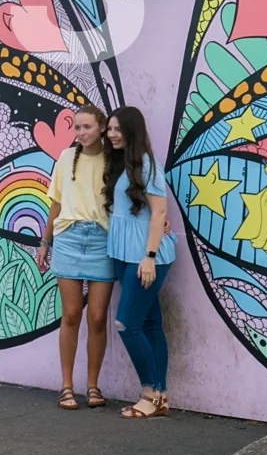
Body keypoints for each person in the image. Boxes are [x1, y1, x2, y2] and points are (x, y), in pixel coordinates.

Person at [36, 104, 116, 410]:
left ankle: (92, 387)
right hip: (68, 238)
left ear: (101, 128)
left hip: (102, 241)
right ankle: (66, 387)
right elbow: (55, 204)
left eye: (87, 127)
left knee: (97, 317)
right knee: (71, 314)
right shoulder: (66, 158)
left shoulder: (114, 159)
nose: (81, 133)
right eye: (77, 128)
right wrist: (45, 242)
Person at [106, 107, 175, 420]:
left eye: (118, 129)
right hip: (123, 254)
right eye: (109, 129)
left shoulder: (147, 164)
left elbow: (159, 213)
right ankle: (159, 396)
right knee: (149, 324)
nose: (112, 134)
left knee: (127, 324)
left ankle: (149, 393)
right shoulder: (122, 164)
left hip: (145, 257)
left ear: (132, 130)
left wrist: (148, 258)